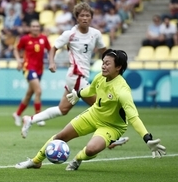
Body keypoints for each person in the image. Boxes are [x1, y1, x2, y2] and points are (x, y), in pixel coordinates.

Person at [15, 49, 166, 170]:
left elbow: (133, 118)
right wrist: (78, 94)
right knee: (61, 136)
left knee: (91, 150)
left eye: (107, 64)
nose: (103, 66)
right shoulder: (100, 77)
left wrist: (147, 138)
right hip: (93, 115)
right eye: (103, 62)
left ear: (118, 67)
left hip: (112, 127)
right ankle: (36, 161)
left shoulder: (122, 91)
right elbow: (91, 89)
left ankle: (78, 158)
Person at [19, 2, 129, 149]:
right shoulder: (69, 34)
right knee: (100, 106)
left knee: (62, 109)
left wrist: (112, 65)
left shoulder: (95, 34)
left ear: (91, 17)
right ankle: (110, 138)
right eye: (82, 15)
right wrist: (52, 62)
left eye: (87, 15)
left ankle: (30, 119)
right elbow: (53, 48)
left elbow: (105, 52)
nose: (85, 18)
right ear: (77, 18)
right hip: (77, 76)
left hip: (80, 77)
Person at [12, 20, 51, 127]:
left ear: (39, 28)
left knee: (30, 94)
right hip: (28, 68)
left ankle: (17, 114)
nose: (35, 28)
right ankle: (38, 117)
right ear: (30, 28)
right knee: (38, 91)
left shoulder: (44, 38)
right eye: (33, 26)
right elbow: (16, 49)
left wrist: (51, 61)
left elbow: (50, 50)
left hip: (39, 69)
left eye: (37, 26)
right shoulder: (25, 39)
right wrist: (18, 61)